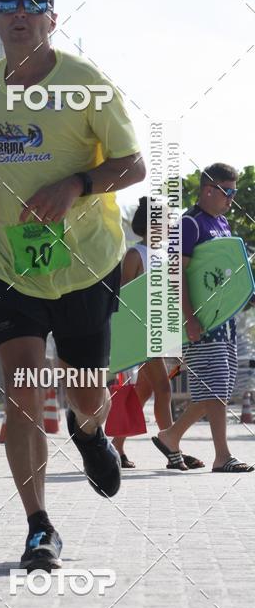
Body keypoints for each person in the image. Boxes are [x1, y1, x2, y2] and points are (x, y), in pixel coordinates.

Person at [0, 0, 146, 571]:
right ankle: (38, 527)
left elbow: (132, 164)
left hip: (85, 263)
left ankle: (89, 435)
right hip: (10, 267)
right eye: (9, 7)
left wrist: (76, 183)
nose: (21, 16)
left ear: (52, 20)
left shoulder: (87, 84)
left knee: (86, 391)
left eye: (34, 7)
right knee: (23, 393)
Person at [153, 163, 253, 473]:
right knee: (215, 386)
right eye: (228, 192)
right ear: (208, 190)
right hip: (201, 321)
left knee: (219, 387)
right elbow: (175, 274)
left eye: (234, 192)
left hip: (224, 322)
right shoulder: (189, 224)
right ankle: (220, 455)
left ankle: (172, 436)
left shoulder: (222, 223)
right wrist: (189, 317)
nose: (232, 199)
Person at [112, 197, 203, 470]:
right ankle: (173, 451)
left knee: (143, 391)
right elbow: (124, 297)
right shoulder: (134, 254)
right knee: (163, 389)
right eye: (166, 219)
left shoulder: (166, 254)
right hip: (142, 334)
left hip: (165, 332)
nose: (171, 224)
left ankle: (114, 447)